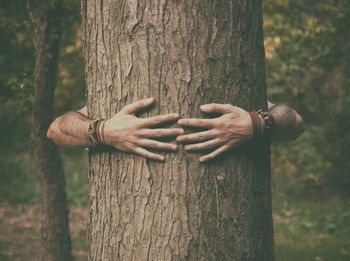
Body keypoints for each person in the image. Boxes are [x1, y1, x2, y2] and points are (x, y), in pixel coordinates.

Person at [47, 97, 304, 162]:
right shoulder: (116, 97)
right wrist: (103, 131)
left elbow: (294, 121)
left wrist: (259, 123)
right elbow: (56, 130)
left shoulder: (232, 80)